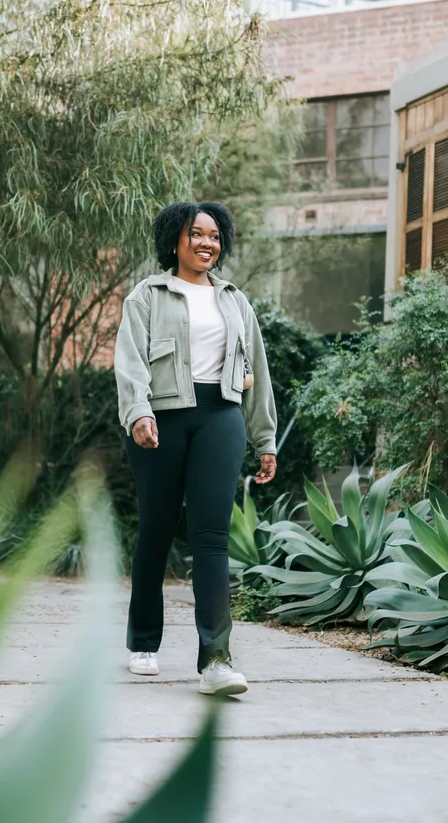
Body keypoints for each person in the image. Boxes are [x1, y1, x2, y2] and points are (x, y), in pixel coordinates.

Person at [114, 201, 277, 697]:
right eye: (196, 235)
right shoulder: (147, 295)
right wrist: (138, 413)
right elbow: (130, 361)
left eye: (214, 235)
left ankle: (216, 660)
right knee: (157, 531)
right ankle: (143, 641)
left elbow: (259, 373)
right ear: (174, 241)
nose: (207, 243)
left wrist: (264, 437)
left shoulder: (234, 301)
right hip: (160, 420)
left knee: (211, 537)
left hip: (220, 416)